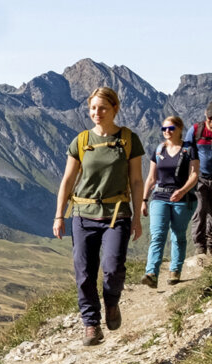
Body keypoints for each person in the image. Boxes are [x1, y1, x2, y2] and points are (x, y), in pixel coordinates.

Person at [53, 86, 144, 346]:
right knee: (84, 273)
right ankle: (91, 324)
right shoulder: (81, 141)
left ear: (115, 108)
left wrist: (137, 217)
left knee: (113, 268)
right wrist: (59, 215)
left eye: (102, 108)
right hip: (83, 215)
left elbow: (137, 181)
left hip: (117, 214)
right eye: (93, 108)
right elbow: (68, 180)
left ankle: (112, 303)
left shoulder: (128, 140)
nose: (97, 113)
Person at [140, 116, 199, 287]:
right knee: (158, 235)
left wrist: (182, 191)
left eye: (171, 128)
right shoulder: (159, 150)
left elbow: (194, 174)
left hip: (183, 199)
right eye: (164, 129)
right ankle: (151, 273)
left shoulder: (189, 150)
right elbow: (151, 178)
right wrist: (144, 200)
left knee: (178, 235)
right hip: (159, 198)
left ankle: (175, 270)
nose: (167, 131)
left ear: (180, 129)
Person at [184, 100, 212, 258]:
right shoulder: (196, 130)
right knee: (200, 210)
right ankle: (200, 246)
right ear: (205, 114)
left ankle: (211, 243)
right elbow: (186, 151)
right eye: (210, 117)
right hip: (199, 178)